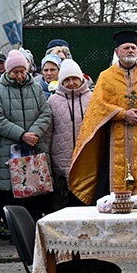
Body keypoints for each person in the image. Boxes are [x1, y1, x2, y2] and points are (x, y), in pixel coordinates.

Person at [70, 31, 137, 205]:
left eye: (133, 47)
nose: (131, 51)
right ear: (117, 52)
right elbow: (98, 106)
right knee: (110, 176)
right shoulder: (106, 76)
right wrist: (122, 114)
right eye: (126, 48)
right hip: (114, 137)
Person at [0, 49, 53, 219]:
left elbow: (46, 113)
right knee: (14, 193)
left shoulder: (35, 88)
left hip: (35, 146)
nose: (20, 75)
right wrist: (22, 135)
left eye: (22, 71)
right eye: (15, 72)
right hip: (10, 148)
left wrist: (33, 133)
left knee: (36, 191)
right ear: (8, 72)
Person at [45, 60, 91, 211]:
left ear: (81, 78)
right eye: (67, 80)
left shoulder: (92, 98)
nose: (71, 83)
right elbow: (48, 132)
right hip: (61, 162)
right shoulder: (52, 101)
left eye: (74, 79)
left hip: (87, 161)